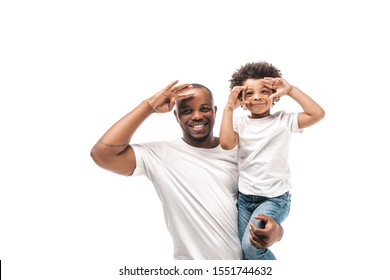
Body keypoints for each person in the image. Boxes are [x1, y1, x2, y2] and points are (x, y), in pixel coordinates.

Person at [90, 80, 284, 260]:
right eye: (187, 111)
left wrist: (278, 232)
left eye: (204, 108)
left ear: (215, 112)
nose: (197, 115)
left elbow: (266, 200)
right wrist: (148, 106)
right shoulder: (161, 154)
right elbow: (103, 154)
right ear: (176, 115)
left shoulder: (239, 151)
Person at [220, 61, 325, 260]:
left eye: (264, 91)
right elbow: (226, 144)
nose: (257, 97)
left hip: (274, 199)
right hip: (245, 199)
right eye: (249, 93)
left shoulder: (283, 120)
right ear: (242, 98)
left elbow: (317, 114)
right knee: (244, 252)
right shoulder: (239, 123)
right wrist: (228, 108)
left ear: (273, 95)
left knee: (252, 247)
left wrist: (291, 90)